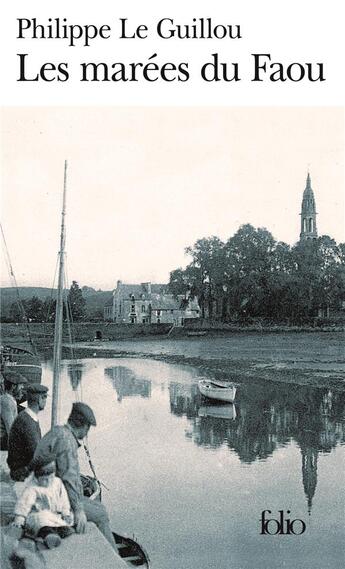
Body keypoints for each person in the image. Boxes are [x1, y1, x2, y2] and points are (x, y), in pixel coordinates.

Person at [33, 402, 116, 551]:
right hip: (49, 500)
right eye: (88, 428)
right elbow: (68, 477)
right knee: (101, 514)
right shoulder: (67, 441)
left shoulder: (58, 431)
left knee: (98, 507)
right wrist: (78, 510)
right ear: (83, 426)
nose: (87, 432)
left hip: (41, 492)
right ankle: (116, 561)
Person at [12, 452, 74, 549]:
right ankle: (48, 536)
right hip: (38, 515)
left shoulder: (57, 483)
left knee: (63, 523)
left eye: (51, 477)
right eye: (45, 479)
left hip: (54, 514)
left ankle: (60, 531)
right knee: (42, 522)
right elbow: (24, 503)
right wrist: (20, 517)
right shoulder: (33, 488)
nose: (49, 481)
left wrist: (65, 512)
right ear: (36, 477)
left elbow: (64, 499)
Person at [8, 384, 49, 481]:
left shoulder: (27, 416)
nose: (45, 401)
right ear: (39, 399)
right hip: (21, 473)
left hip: (22, 468)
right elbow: (36, 453)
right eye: (45, 397)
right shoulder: (27, 422)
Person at [0, 372, 28, 450]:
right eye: (20, 385)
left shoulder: (9, 399)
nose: (22, 387)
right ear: (13, 386)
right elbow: (11, 430)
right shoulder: (6, 401)